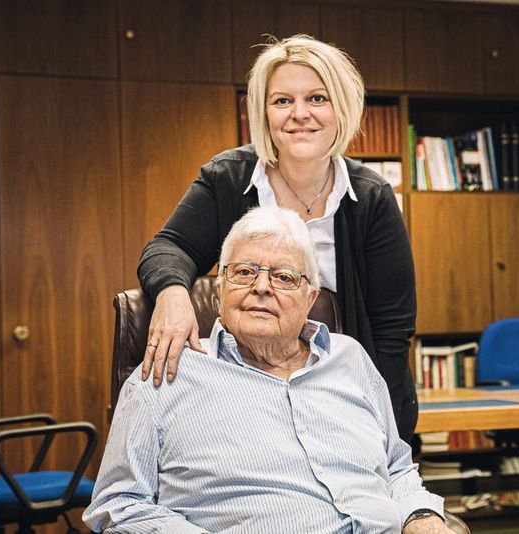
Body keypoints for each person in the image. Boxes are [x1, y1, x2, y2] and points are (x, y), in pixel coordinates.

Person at [85, 207, 452, 533]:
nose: (261, 287)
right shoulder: (165, 374)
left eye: (284, 277)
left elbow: (397, 468)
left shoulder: (350, 359)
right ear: (220, 288)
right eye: (244, 272)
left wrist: (421, 516)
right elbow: (119, 506)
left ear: (311, 299)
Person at [138, 34, 418, 442]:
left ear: (342, 107)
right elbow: (168, 248)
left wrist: (384, 435)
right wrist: (172, 294)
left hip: (340, 400)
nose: (299, 114)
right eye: (282, 101)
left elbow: (392, 332)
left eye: (317, 98)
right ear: (264, 113)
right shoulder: (228, 178)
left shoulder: (372, 196)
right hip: (243, 394)